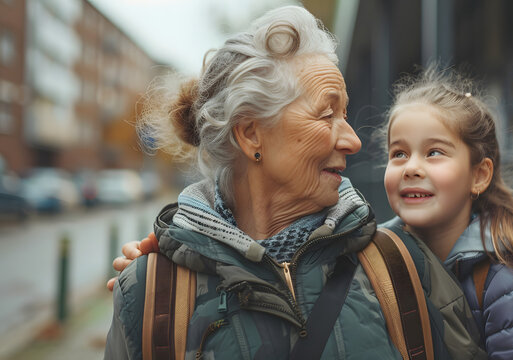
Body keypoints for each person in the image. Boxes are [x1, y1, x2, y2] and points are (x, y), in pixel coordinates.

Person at [104, 6, 453, 360]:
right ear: (251, 134)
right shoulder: (154, 294)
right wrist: (151, 285)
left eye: (344, 115)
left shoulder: (399, 264)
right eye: (327, 114)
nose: (353, 140)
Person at [380, 66, 513, 359]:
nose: (411, 168)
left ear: (479, 176)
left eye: (434, 152)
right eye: (399, 154)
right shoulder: (375, 257)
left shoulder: (507, 281)